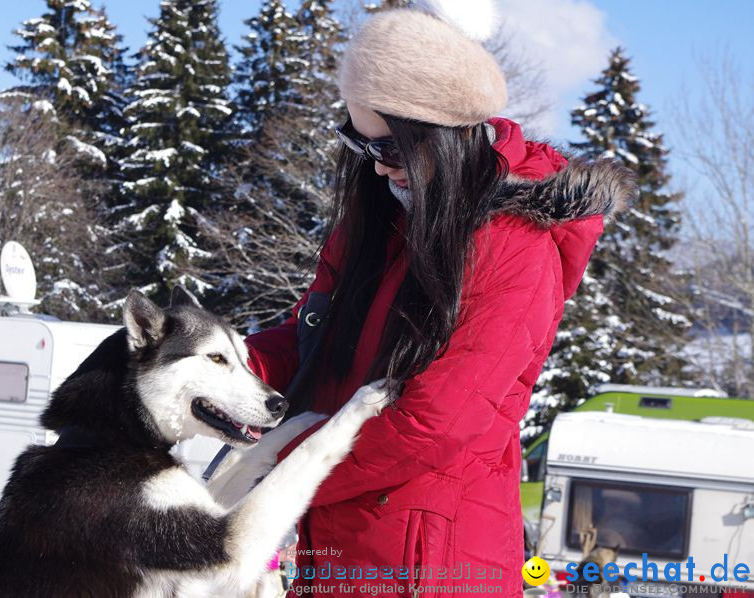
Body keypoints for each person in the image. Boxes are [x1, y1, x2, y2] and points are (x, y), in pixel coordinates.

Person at [241, 3, 635, 597]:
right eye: (361, 145)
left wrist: (278, 464)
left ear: (443, 136)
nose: (377, 172)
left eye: (391, 149)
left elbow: (432, 425)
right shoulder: (380, 225)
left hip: (431, 567)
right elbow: (309, 340)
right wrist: (203, 370)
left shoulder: (513, 248)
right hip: (343, 553)